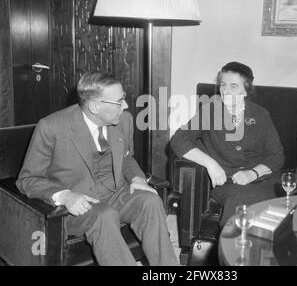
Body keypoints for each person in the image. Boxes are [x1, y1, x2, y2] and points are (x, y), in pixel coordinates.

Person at [16, 72, 178, 266]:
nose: (125, 106)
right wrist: (65, 196)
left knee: (150, 201)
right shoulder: (52, 127)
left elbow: (126, 158)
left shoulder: (124, 121)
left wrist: (137, 177)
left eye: (123, 98)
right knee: (104, 216)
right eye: (119, 102)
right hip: (78, 203)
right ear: (95, 106)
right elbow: (27, 179)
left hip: (116, 193)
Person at [170, 61, 285, 227]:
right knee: (241, 201)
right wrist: (211, 164)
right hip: (228, 182)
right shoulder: (211, 110)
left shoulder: (260, 114)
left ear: (246, 90)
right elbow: (179, 139)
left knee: (277, 211)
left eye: (234, 86)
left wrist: (253, 173)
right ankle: (232, 248)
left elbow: (276, 155)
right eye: (223, 84)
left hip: (262, 178)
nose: (225, 91)